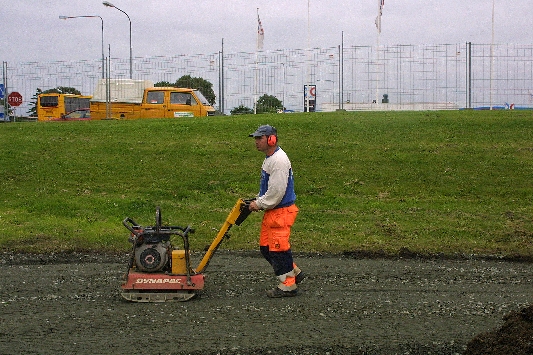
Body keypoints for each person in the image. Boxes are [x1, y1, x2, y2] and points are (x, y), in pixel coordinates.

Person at [248, 124, 305, 297]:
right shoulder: (270, 158)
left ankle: (288, 286)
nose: (257, 142)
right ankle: (294, 273)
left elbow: (276, 192)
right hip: (273, 211)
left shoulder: (278, 161)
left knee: (278, 250)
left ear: (271, 139)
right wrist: (259, 200)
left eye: (260, 138)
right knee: (266, 248)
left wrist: (259, 204)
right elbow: (268, 188)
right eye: (256, 138)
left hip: (280, 212)